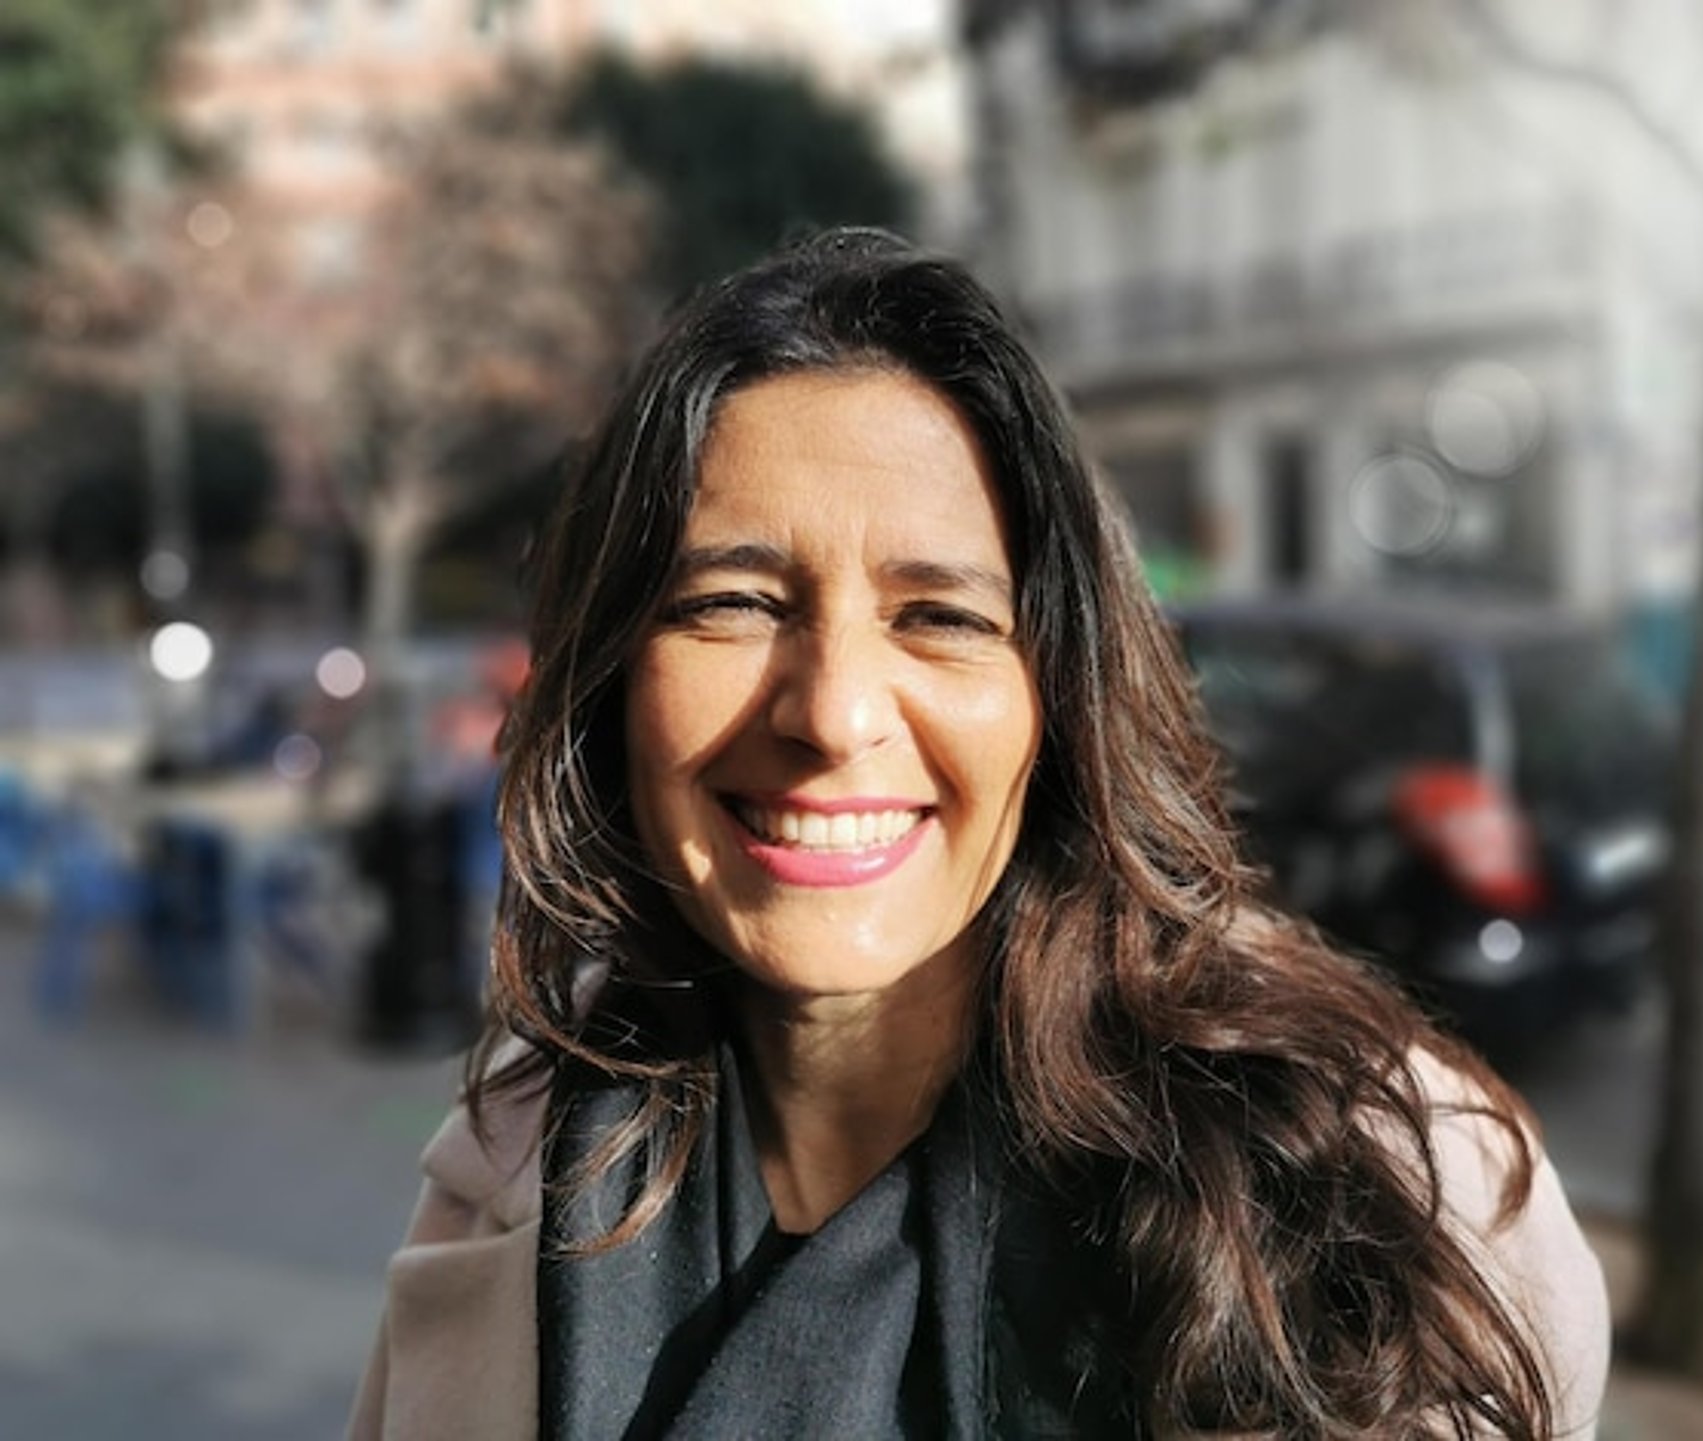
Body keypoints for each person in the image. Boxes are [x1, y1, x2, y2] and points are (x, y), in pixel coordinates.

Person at [350, 228, 1608, 1440]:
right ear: (612, 678)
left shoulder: (1377, 1196)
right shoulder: (512, 1170)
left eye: (939, 616)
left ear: (1057, 690)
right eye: (732, 603)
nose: (834, 715)